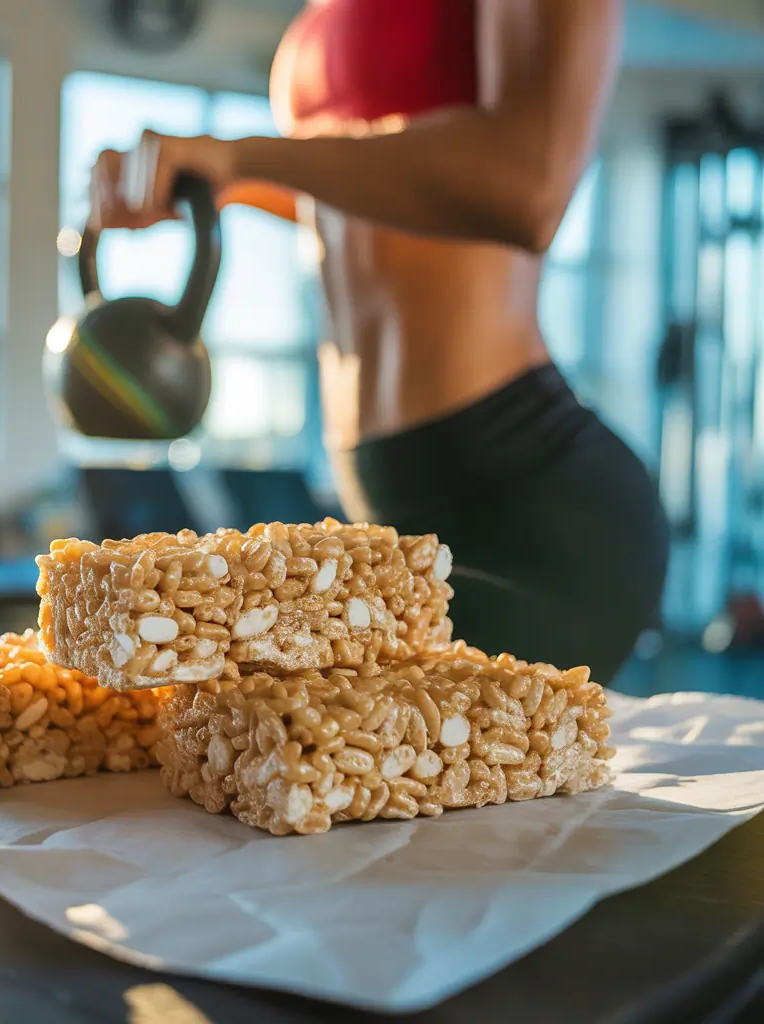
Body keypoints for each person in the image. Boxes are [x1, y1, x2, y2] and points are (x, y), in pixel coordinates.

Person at [86, 0, 669, 683]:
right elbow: (345, 203)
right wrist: (225, 183)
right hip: (385, 499)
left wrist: (241, 153)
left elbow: (528, 181)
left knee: (277, 745)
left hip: (525, 507)